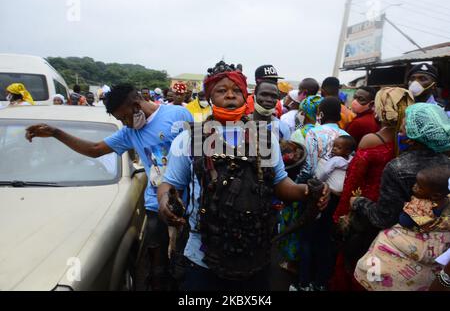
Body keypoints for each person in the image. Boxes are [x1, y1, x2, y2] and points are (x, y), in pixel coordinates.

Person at [157, 61, 330, 291]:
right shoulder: (193, 138)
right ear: (210, 97)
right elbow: (171, 184)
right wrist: (165, 202)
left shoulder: (264, 138)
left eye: (236, 90)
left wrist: (306, 191)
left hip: (255, 254)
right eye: (221, 90)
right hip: (202, 257)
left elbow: (281, 183)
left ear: (245, 96)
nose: (230, 96)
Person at [25, 84, 194, 291]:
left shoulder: (178, 115)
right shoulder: (129, 133)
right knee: (157, 269)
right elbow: (95, 149)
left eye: (124, 117)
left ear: (135, 106)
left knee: (186, 265)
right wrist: (56, 133)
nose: (125, 124)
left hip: (189, 203)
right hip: (155, 206)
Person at [331, 87, 414, 291]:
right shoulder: (411, 141)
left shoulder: (372, 140)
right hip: (396, 214)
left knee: (353, 262)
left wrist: (341, 214)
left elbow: (353, 180)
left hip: (364, 210)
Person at [350, 103, 450, 232]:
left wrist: (358, 202)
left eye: (401, 131)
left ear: (410, 139)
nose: (399, 134)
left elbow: (384, 218)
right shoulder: (446, 163)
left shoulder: (397, 168)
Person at [354, 166, 450, 291]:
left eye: (419, 186)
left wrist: (407, 210)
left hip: (415, 240)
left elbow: (404, 221)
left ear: (435, 195)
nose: (414, 187)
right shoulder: (445, 201)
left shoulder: (419, 206)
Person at [290, 97, 349, 291]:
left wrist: (297, 188)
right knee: (325, 238)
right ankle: (321, 282)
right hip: (335, 195)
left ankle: (303, 282)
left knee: (307, 238)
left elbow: (309, 168)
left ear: (320, 114)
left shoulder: (314, 133)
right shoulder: (346, 135)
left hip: (315, 192)